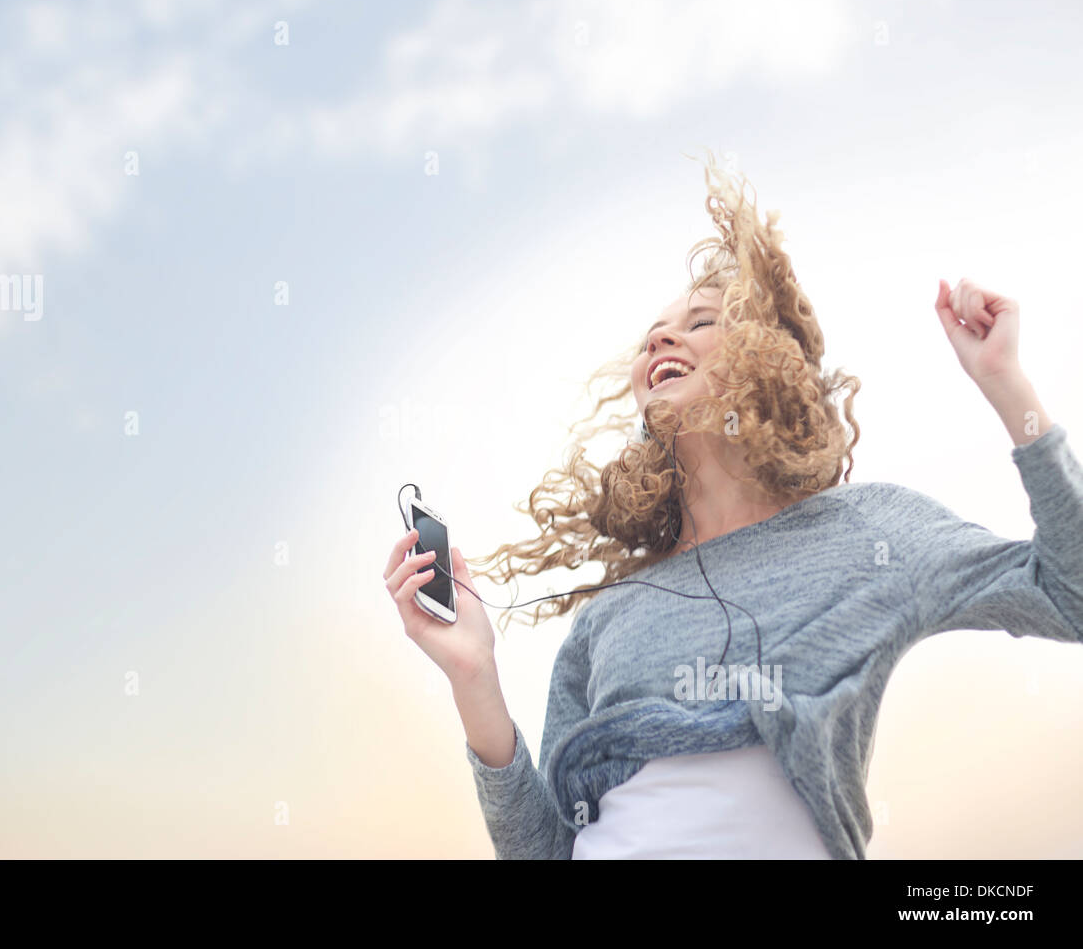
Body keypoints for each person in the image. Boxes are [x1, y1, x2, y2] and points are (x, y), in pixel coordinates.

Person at [381, 153, 1082, 859]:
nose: (660, 338)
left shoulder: (868, 533)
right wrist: (474, 676)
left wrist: (1007, 385)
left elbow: (1070, 594)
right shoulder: (609, 619)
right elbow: (545, 853)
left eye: (702, 321)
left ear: (764, 356)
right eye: (652, 332)